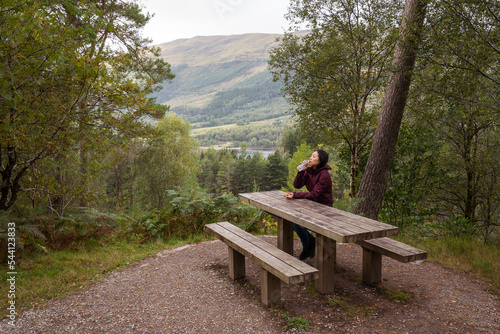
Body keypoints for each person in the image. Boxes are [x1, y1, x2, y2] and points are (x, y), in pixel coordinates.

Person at [285, 149, 333, 260]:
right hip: (313, 205)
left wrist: (295, 195)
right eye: (311, 155)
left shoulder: (324, 175)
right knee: (292, 219)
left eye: (314, 156)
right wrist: (301, 171)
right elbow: (297, 185)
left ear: (320, 160)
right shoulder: (310, 171)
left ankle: (307, 248)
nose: (310, 158)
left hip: (325, 208)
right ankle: (311, 243)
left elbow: (314, 195)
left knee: (297, 223)